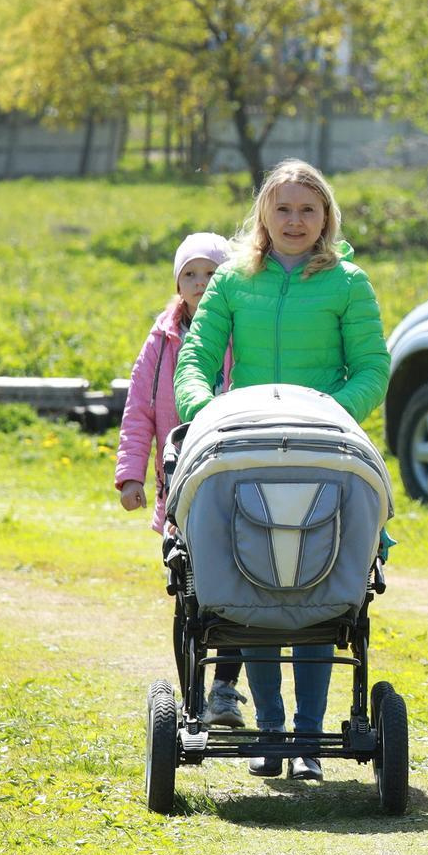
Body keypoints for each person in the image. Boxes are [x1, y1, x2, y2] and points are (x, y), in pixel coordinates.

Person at [175, 161, 389, 781]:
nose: (295, 221)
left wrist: (327, 415)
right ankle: (272, 736)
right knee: (255, 594)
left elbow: (372, 367)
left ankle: (307, 741)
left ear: (326, 217)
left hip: (323, 451)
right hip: (247, 450)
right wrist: (206, 412)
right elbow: (196, 358)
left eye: (308, 210)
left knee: (317, 595)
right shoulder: (233, 284)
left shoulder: (348, 283)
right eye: (284, 209)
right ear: (263, 214)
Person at [118, 231, 244, 726]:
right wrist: (130, 475)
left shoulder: (242, 328)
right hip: (182, 481)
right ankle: (192, 694)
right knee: (189, 590)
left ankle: (225, 690)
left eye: (210, 273)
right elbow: (139, 410)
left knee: (237, 585)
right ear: (177, 282)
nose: (199, 282)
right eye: (189, 274)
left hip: (234, 474)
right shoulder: (164, 337)